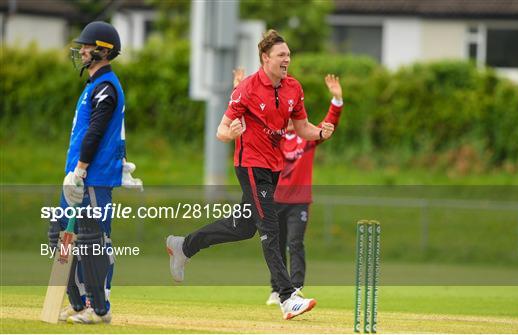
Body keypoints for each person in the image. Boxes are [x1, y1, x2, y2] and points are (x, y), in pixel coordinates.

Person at [166, 29, 334, 320]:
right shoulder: (247, 89)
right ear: (265, 58)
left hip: (273, 167)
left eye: (289, 55)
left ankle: (184, 246)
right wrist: (229, 133)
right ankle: (287, 296)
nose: (287, 60)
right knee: (270, 228)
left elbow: (304, 128)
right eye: (282, 55)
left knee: (242, 227)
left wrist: (320, 132)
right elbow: (220, 130)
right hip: (250, 166)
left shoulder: (294, 88)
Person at [47, 21, 141, 324]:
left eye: (87, 46)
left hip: (92, 177)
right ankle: (78, 302)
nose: (82, 50)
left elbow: (98, 132)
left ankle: (99, 305)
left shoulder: (106, 87)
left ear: (102, 51)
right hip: (80, 176)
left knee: (94, 240)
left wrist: (82, 170)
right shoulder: (95, 86)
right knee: (61, 235)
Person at [232, 70, 344, 305]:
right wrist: (239, 87)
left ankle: (297, 286)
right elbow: (249, 126)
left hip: (299, 201)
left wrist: (336, 102)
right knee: (276, 243)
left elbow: (327, 126)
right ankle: (277, 289)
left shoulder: (307, 139)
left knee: (296, 242)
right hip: (275, 199)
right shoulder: (275, 138)